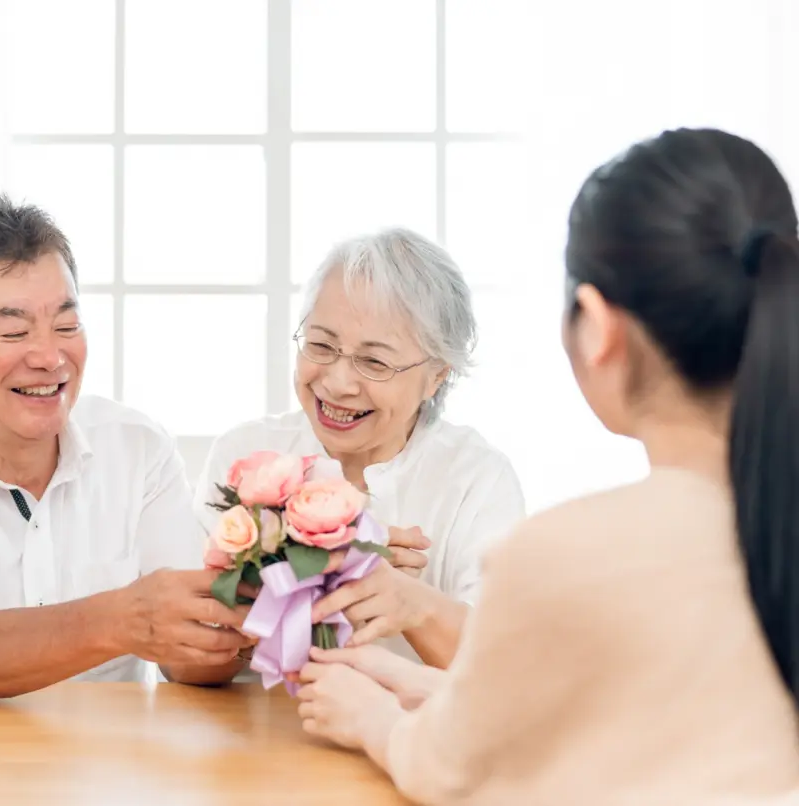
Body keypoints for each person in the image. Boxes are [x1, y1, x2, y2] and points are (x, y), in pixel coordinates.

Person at [296, 128, 799, 804]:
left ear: (595, 325)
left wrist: (373, 721)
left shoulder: (565, 552)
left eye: (376, 360)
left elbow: (451, 772)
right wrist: (428, 688)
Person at [0, 192, 252, 700]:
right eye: (13, 330)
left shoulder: (138, 448)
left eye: (67, 325)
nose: (49, 356)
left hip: (121, 764)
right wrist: (123, 620)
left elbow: (187, 660)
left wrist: (250, 615)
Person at [195, 228, 524, 668]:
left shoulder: (476, 479)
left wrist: (408, 601)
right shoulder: (247, 453)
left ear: (438, 375)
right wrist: (292, 569)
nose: (337, 382)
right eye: (321, 345)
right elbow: (183, 664)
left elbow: (502, 670)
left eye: (374, 362)